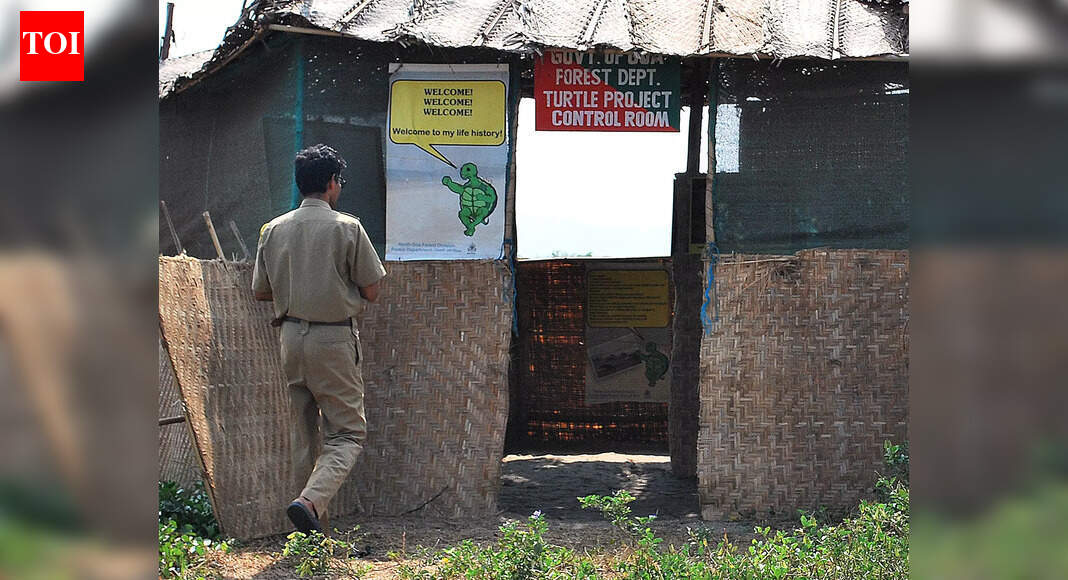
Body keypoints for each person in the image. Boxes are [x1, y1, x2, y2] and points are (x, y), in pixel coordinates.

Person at [251, 144, 386, 534]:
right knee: (347, 432)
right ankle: (308, 502)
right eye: (339, 181)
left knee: (303, 435)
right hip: (333, 340)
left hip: (291, 339)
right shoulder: (347, 228)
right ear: (331, 183)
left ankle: (311, 538)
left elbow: (260, 290)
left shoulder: (273, 230)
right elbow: (373, 290)